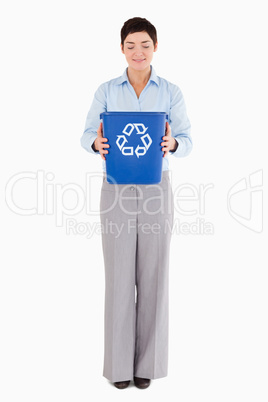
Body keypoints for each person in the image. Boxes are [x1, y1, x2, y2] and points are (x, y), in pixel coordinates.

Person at [81, 17, 192, 389]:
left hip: (156, 190)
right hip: (116, 191)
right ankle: (119, 370)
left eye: (145, 44)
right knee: (118, 279)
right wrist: (95, 144)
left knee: (154, 276)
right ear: (122, 49)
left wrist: (172, 144)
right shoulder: (107, 90)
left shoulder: (171, 91)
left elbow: (187, 138)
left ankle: (147, 365)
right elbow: (86, 134)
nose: (138, 52)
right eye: (131, 45)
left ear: (155, 47)